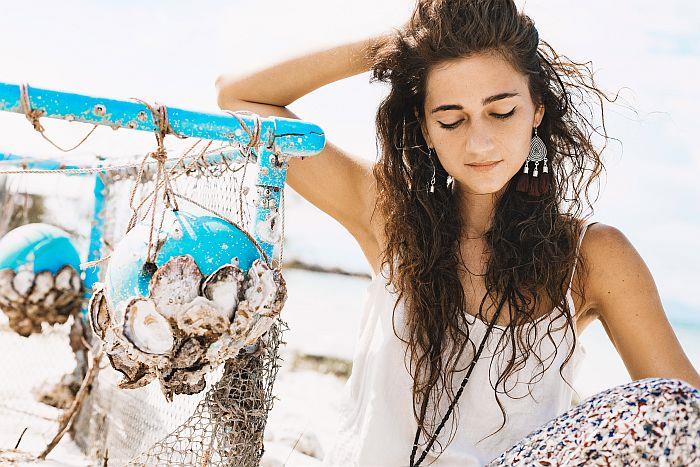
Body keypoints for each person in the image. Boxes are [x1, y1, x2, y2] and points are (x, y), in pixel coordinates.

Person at [215, 0, 700, 465]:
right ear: (425, 127)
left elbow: (684, 416)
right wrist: (395, 46)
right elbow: (240, 96)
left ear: (537, 110)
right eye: (451, 119)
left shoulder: (591, 257)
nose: (479, 142)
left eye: (502, 112)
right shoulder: (388, 213)